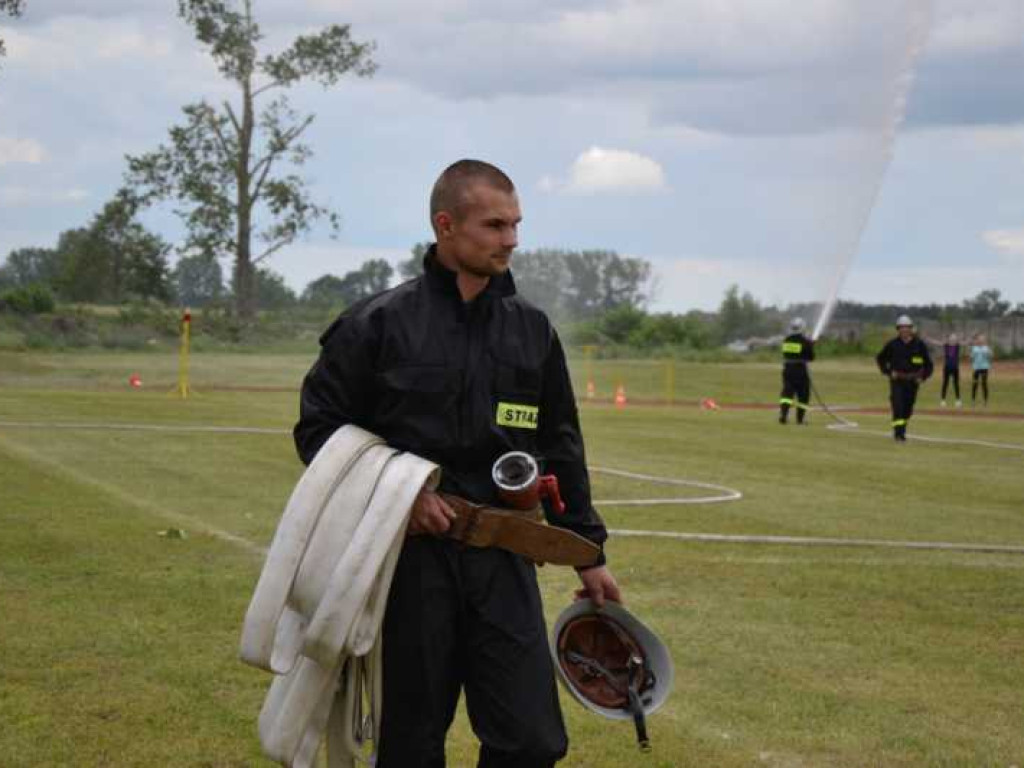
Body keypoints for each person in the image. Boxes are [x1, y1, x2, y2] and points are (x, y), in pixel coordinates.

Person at [293, 159, 621, 768]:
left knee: (532, 741)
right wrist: (401, 493)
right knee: (411, 744)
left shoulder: (531, 330)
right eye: (495, 225)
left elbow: (561, 444)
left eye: (516, 225)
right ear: (446, 226)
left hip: (504, 553)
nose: (512, 240)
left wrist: (588, 551)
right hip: (408, 562)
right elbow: (318, 430)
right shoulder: (377, 324)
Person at [876, 315, 933, 442]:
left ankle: (901, 428)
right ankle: (899, 434)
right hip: (897, 381)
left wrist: (922, 377)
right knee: (898, 406)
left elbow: (928, 364)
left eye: (907, 327)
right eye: (902, 327)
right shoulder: (892, 344)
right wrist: (889, 372)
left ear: (911, 329)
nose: (904, 330)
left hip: (913, 382)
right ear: (898, 329)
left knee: (907, 409)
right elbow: (880, 359)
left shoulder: (919, 345)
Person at [778, 317, 815, 425]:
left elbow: (786, 353)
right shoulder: (805, 341)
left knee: (787, 393)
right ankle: (800, 419)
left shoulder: (786, 340)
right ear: (802, 328)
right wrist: (811, 346)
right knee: (803, 394)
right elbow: (811, 357)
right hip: (800, 371)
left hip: (788, 369)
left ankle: (783, 415)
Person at [940, 332, 962, 407]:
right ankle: (943, 400)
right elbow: (936, 342)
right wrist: (927, 338)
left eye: (954, 338)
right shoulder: (946, 345)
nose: (953, 339)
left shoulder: (957, 346)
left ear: (956, 339)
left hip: (955, 368)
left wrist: (973, 336)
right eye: (951, 338)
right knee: (945, 384)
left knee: (956, 384)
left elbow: (967, 342)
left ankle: (958, 400)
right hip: (947, 368)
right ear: (948, 339)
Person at [970, 333, 993, 407]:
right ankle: (973, 401)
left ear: (984, 340)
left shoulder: (986, 348)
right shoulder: (974, 348)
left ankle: (985, 401)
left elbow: (991, 356)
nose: (981, 340)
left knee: (984, 384)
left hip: (984, 368)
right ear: (977, 340)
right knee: (975, 384)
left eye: (982, 339)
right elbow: (971, 357)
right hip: (976, 368)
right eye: (979, 339)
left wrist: (989, 353)